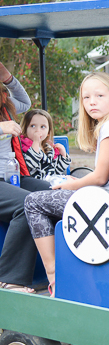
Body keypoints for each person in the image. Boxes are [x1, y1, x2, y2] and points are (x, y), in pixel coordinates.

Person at [24, 72, 109, 296]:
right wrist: (79, 182)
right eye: (86, 97)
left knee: (33, 202)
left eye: (99, 95)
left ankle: (54, 277)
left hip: (104, 205)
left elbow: (101, 178)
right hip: (108, 198)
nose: (92, 102)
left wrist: (73, 185)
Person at [0, 62, 54, 293]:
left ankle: (46, 270)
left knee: (51, 191)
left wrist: (7, 76)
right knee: (27, 205)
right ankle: (9, 280)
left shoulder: (6, 104)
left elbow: (26, 102)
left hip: (11, 175)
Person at [21, 109, 71, 179]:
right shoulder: (24, 147)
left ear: (48, 132)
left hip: (50, 183)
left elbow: (56, 171)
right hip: (34, 185)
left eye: (42, 127)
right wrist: (36, 142)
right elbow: (30, 165)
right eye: (32, 126)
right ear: (25, 129)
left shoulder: (49, 149)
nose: (37, 130)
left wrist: (63, 155)